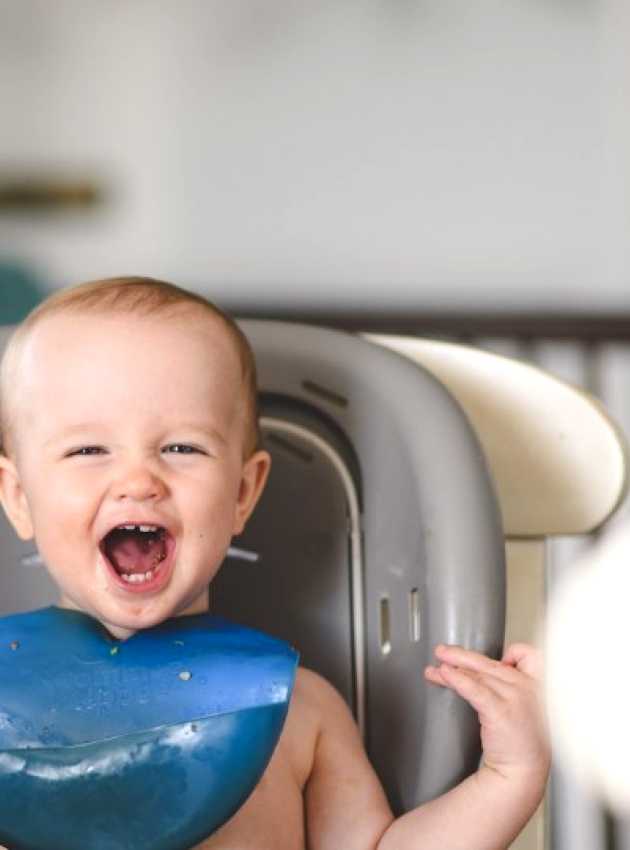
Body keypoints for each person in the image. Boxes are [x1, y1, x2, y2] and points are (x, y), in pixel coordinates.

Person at [0, 277, 550, 850]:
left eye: (181, 448)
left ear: (243, 492)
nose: (138, 480)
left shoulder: (299, 710)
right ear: (18, 497)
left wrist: (511, 774)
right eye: (89, 450)